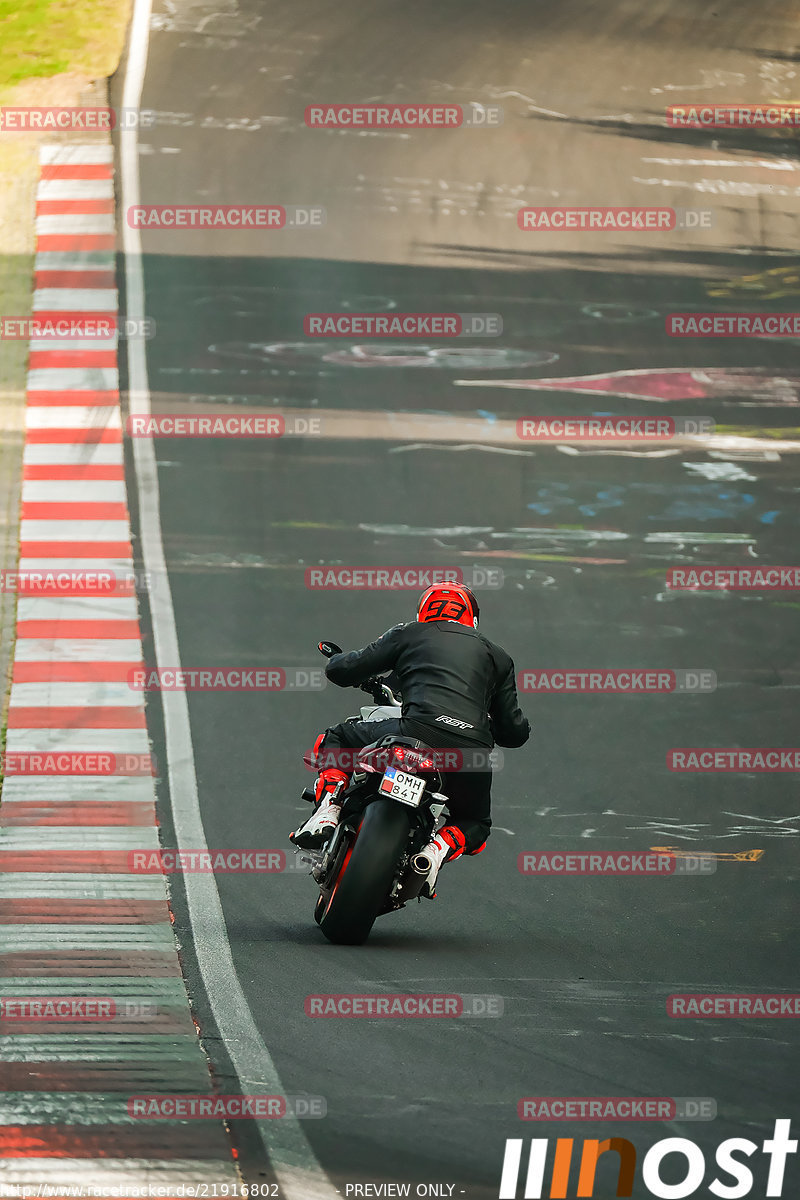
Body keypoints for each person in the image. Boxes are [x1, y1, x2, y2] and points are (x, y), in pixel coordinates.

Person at [290, 583, 530, 895]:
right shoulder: (498, 656)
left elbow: (345, 669)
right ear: (472, 619)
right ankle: (435, 850)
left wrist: (336, 660)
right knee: (475, 822)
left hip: (415, 731)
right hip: (470, 753)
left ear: (424, 611)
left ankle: (330, 807)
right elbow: (513, 732)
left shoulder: (410, 632)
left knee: (338, 737)